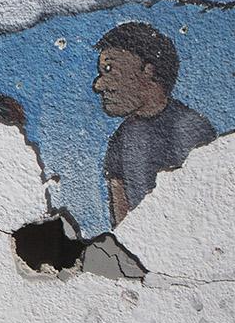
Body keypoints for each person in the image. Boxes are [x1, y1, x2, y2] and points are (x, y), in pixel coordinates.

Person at [92, 22, 217, 226]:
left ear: (147, 71)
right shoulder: (122, 138)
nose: (98, 85)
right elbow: (122, 221)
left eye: (109, 69)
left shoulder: (191, 129)